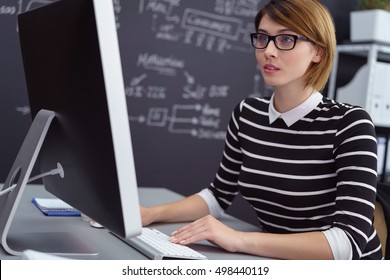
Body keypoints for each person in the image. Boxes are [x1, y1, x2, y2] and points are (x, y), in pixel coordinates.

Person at [141, 0, 383, 260]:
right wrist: (150, 214)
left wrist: (239, 239)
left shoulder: (350, 124)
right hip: (276, 260)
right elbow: (217, 196)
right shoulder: (247, 114)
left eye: (286, 39)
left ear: (318, 52)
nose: (269, 50)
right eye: (263, 38)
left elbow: (348, 242)